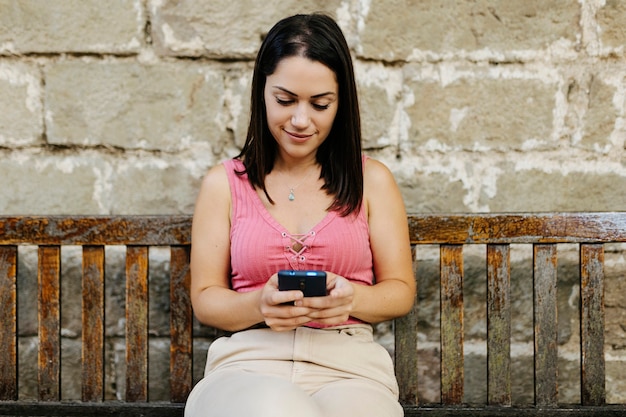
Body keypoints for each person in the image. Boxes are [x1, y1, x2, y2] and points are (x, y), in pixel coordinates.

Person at [184, 13, 415, 417]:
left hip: (350, 370)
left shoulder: (372, 181)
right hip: (248, 366)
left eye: (320, 104)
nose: (301, 120)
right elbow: (205, 299)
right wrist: (260, 304)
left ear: (341, 103)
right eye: (285, 100)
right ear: (262, 92)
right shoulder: (224, 185)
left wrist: (351, 298)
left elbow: (400, 290)